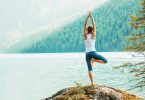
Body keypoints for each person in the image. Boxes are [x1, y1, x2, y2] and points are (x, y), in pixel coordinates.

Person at [84, 11, 108, 86]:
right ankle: (94, 60)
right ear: (92, 30)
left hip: (87, 54)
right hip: (93, 53)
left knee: (90, 69)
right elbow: (95, 26)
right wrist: (92, 17)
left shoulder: (85, 36)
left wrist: (87, 17)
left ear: (87, 30)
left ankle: (92, 83)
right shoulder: (93, 35)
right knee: (105, 61)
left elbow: (84, 26)